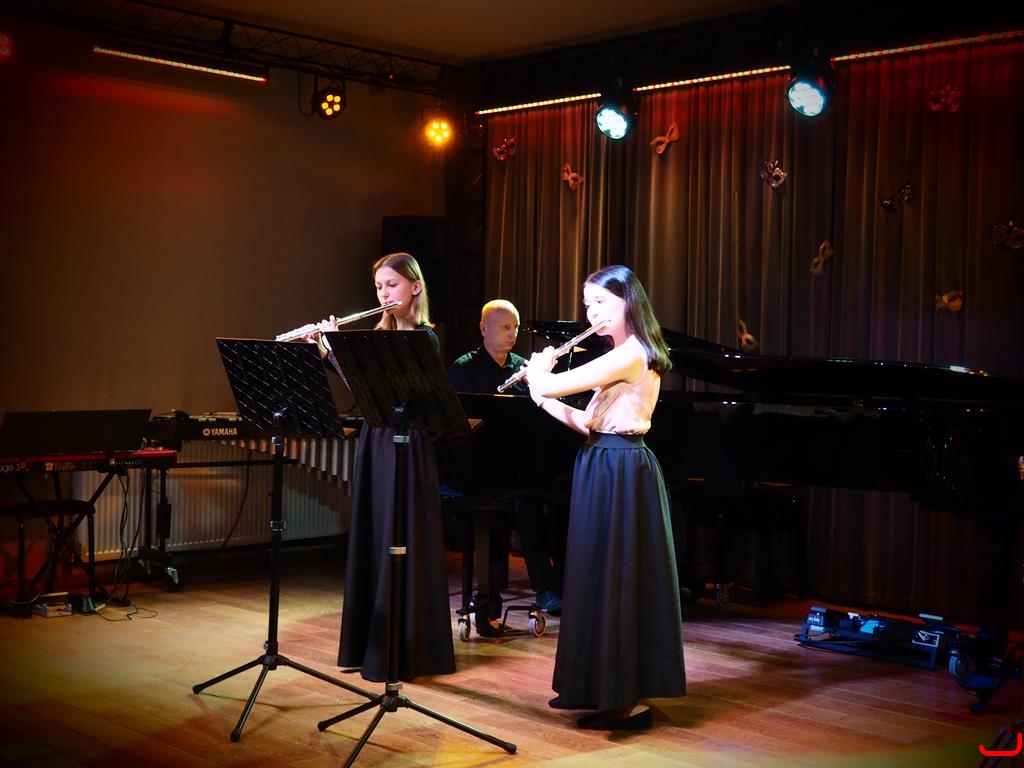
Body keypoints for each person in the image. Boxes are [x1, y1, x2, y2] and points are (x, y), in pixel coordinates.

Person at [524, 264, 685, 730]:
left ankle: (625, 699)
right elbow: (590, 424)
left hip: (621, 470)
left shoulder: (632, 354)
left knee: (619, 578)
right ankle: (597, 686)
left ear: (628, 302)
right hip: (603, 462)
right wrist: (543, 400)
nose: (591, 312)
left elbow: (551, 382)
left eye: (600, 302)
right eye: (587, 304)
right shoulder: (619, 354)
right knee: (597, 576)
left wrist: (540, 372)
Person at [307, 252, 455, 682]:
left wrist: (336, 347)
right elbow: (363, 384)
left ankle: (407, 650)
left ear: (415, 286)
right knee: (375, 534)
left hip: (409, 444)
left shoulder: (426, 338)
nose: (384, 294)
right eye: (378, 287)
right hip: (376, 438)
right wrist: (327, 347)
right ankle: (368, 645)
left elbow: (401, 390)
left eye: (391, 285)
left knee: (400, 533)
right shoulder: (376, 335)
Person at [448, 299, 566, 617]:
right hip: (475, 461)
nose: (512, 334)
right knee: (523, 502)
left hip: (516, 460)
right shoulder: (464, 368)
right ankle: (503, 588)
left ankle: (550, 587)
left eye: (515, 327)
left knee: (540, 501)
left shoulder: (522, 367)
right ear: (484, 329)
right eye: (505, 327)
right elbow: (464, 423)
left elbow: (534, 420)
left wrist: (536, 383)